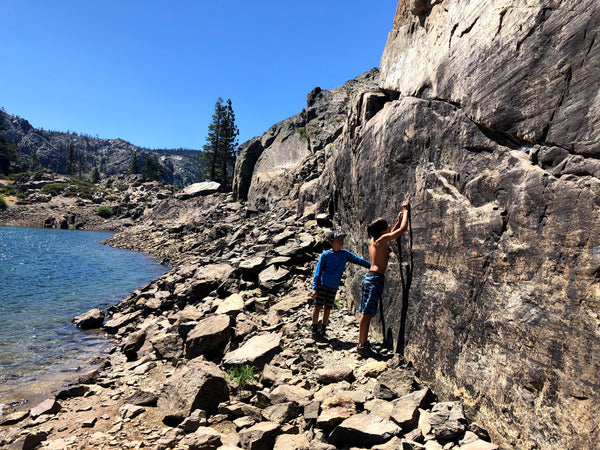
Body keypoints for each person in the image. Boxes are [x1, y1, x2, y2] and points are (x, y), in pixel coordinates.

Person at [358, 201, 410, 357]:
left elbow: (391, 234)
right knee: (367, 314)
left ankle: (362, 343)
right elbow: (402, 230)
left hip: (369, 277)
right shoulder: (382, 240)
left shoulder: (375, 241)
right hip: (375, 279)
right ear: (381, 231)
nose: (389, 227)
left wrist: (397, 220)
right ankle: (362, 345)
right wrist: (405, 211)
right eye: (387, 225)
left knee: (365, 312)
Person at [312, 230, 370, 340]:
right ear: (331, 242)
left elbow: (358, 260)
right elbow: (318, 272)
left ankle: (323, 330)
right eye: (338, 239)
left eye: (342, 239)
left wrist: (372, 266)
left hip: (333, 286)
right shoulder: (326, 255)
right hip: (323, 284)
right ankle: (314, 331)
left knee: (328, 307)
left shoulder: (345, 254)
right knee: (318, 306)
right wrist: (315, 287)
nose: (341, 241)